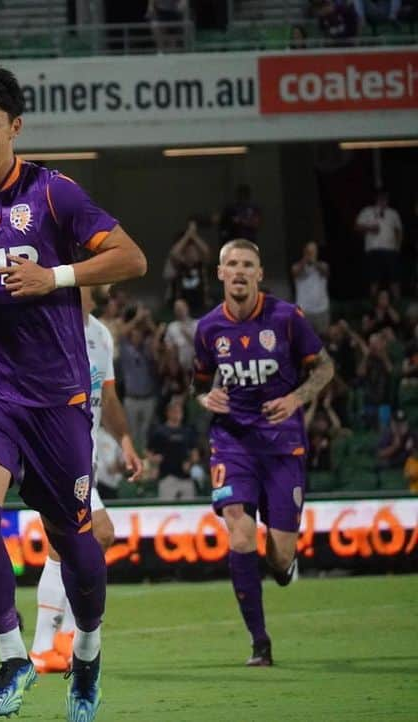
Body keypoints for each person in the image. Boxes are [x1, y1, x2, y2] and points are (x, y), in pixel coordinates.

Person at [0, 58, 147, 719]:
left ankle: (88, 654)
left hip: (57, 397)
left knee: (74, 543)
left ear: (14, 126)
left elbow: (131, 257)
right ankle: (14, 655)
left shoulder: (53, 194)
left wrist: (56, 277)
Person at [193, 239, 335, 667]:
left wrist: (296, 399)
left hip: (281, 443)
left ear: (259, 273)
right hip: (233, 441)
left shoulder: (287, 318)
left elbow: (325, 367)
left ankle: (283, 565)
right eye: (231, 264)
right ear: (220, 273)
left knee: (280, 554)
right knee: (239, 532)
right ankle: (260, 641)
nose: (238, 271)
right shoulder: (208, 329)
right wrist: (205, 398)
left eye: (247, 265)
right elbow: (199, 382)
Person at [31, 285, 143, 675]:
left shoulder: (99, 333)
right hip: (53, 454)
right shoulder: (45, 330)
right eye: (98, 284)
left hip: (85, 461)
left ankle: (54, 642)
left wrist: (125, 439)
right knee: (86, 536)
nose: (105, 289)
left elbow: (107, 399)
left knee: (80, 541)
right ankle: (48, 644)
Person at [355, 187, 404, 299]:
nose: (383, 200)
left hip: (391, 250)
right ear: (376, 198)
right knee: (374, 280)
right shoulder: (367, 211)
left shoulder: (393, 213)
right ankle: (373, 307)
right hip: (373, 250)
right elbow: (357, 227)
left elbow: (399, 231)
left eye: (385, 198)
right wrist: (369, 228)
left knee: (395, 279)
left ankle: (398, 304)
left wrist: (398, 247)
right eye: (381, 197)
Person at [291, 242, 330, 336]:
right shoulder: (297, 266)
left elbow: (325, 272)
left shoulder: (323, 265)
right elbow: (295, 272)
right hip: (304, 310)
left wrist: (314, 261)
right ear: (304, 252)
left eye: (313, 251)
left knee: (323, 339)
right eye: (309, 251)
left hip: (321, 310)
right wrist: (305, 259)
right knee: (303, 339)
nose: (311, 253)